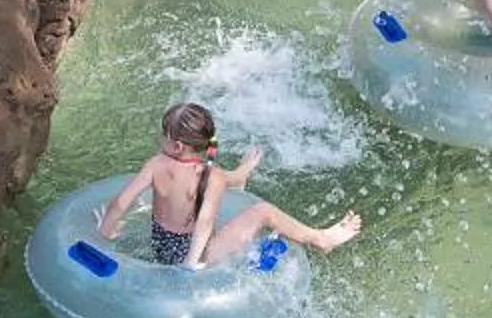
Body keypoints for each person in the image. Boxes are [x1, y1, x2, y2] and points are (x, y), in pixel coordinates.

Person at [95, 101, 361, 269]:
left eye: (163, 136)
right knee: (263, 212)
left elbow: (120, 203)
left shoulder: (156, 164)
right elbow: (204, 225)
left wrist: (104, 235)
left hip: (162, 247)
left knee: (230, 182)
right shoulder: (213, 176)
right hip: (195, 256)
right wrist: (191, 266)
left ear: (176, 145)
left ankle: (243, 176)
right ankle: (321, 239)